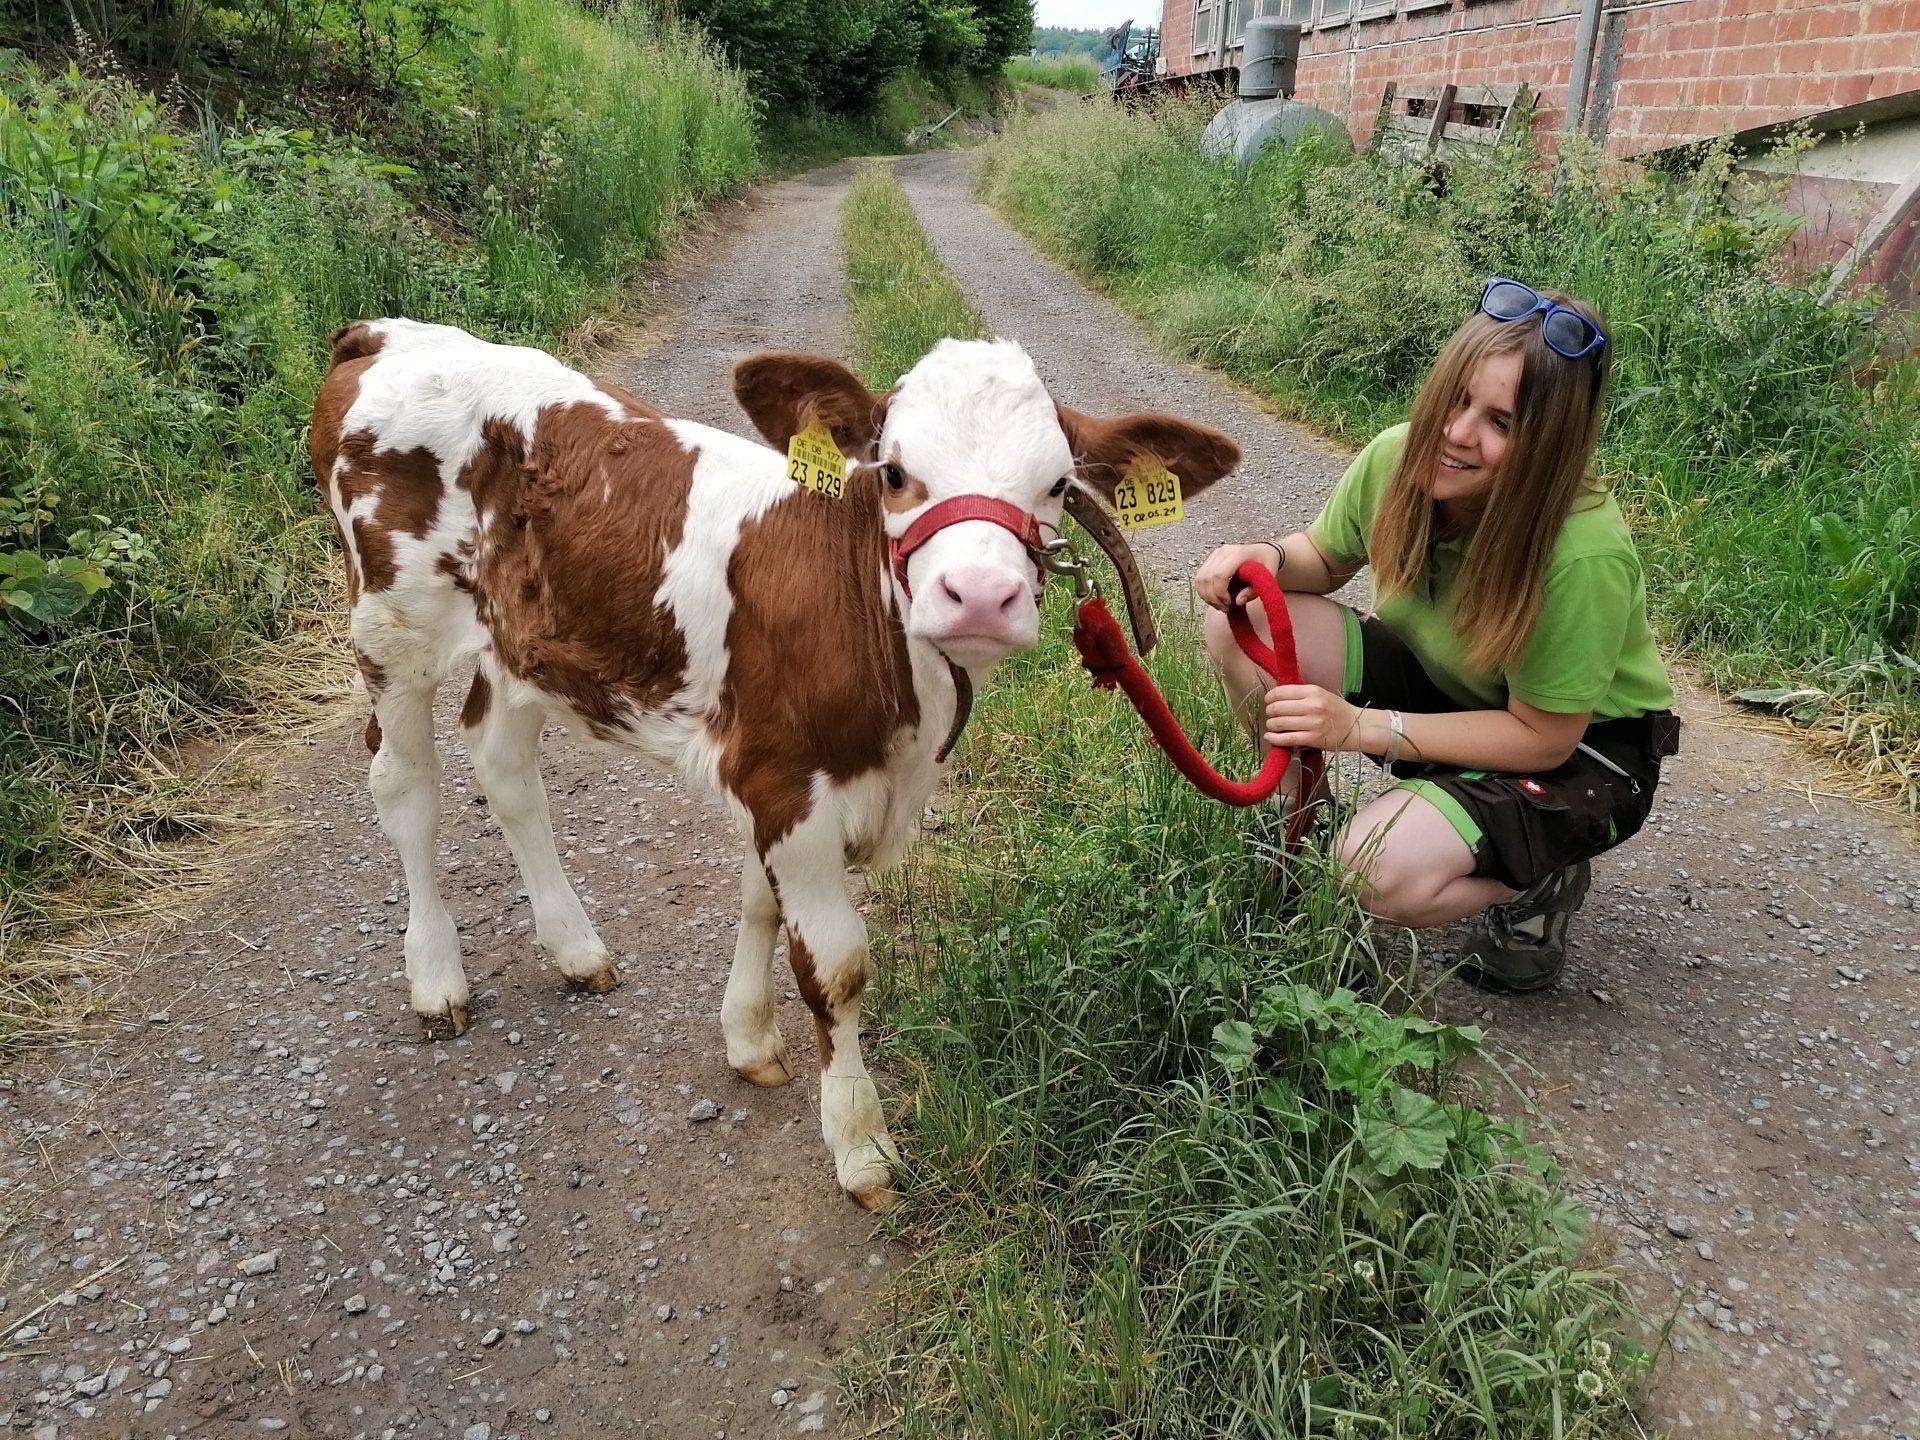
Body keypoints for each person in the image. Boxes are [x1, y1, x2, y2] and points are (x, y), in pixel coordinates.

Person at [1195, 277, 1680, 992]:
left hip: (1579, 755)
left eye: (1502, 423)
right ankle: (1303, 824)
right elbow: (1324, 559)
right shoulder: (1398, 457)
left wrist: (1362, 727)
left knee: (1374, 874)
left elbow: (1543, 738)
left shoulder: (1582, 555)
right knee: (1243, 617)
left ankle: (1541, 878)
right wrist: (1261, 559)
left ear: (1548, 446)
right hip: (1456, 691)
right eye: (1457, 397)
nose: (1458, 432)